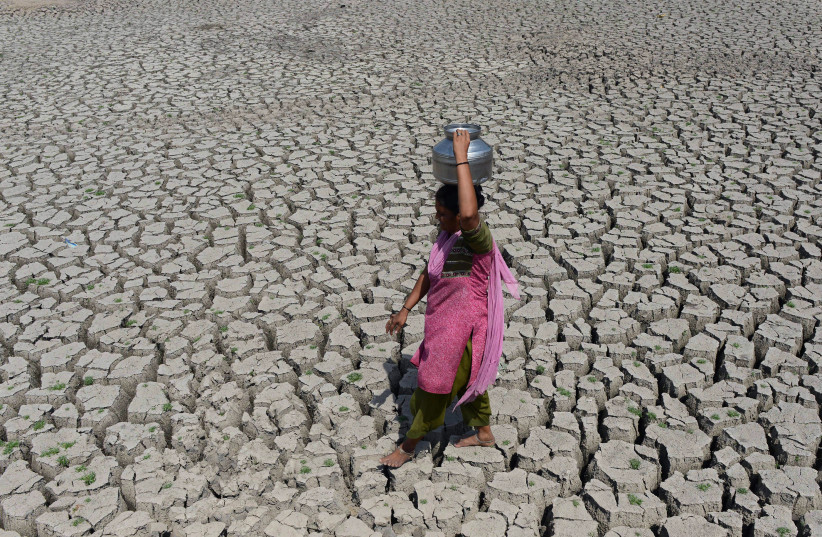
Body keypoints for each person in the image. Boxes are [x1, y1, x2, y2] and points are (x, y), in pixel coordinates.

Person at [379, 128, 519, 468]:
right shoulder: (445, 239)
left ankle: (409, 447)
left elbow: (471, 215)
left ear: (460, 217)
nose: (437, 219)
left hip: (463, 333)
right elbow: (430, 273)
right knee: (469, 381)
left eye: (443, 214)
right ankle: (483, 433)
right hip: (443, 329)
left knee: (433, 391)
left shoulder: (477, 242)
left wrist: (461, 158)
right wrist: (406, 308)